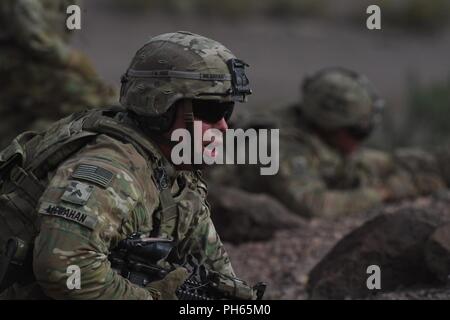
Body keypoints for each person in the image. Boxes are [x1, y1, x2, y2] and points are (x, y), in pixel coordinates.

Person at [0, 31, 251, 299]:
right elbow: (63, 268)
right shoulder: (113, 170)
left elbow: (217, 270)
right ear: (160, 105)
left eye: (227, 112)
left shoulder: (175, 173)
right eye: (210, 111)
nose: (223, 126)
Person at [233, 67, 446, 218]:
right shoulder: (281, 145)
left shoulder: (312, 124)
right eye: (358, 131)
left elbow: (378, 161)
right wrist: (384, 192)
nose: (361, 139)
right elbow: (315, 206)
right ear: (331, 126)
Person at [0, 0, 116, 149]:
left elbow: (66, 33)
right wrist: (73, 60)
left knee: (17, 123)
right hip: (18, 67)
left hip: (41, 66)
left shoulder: (72, 5)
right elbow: (34, 39)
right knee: (99, 101)